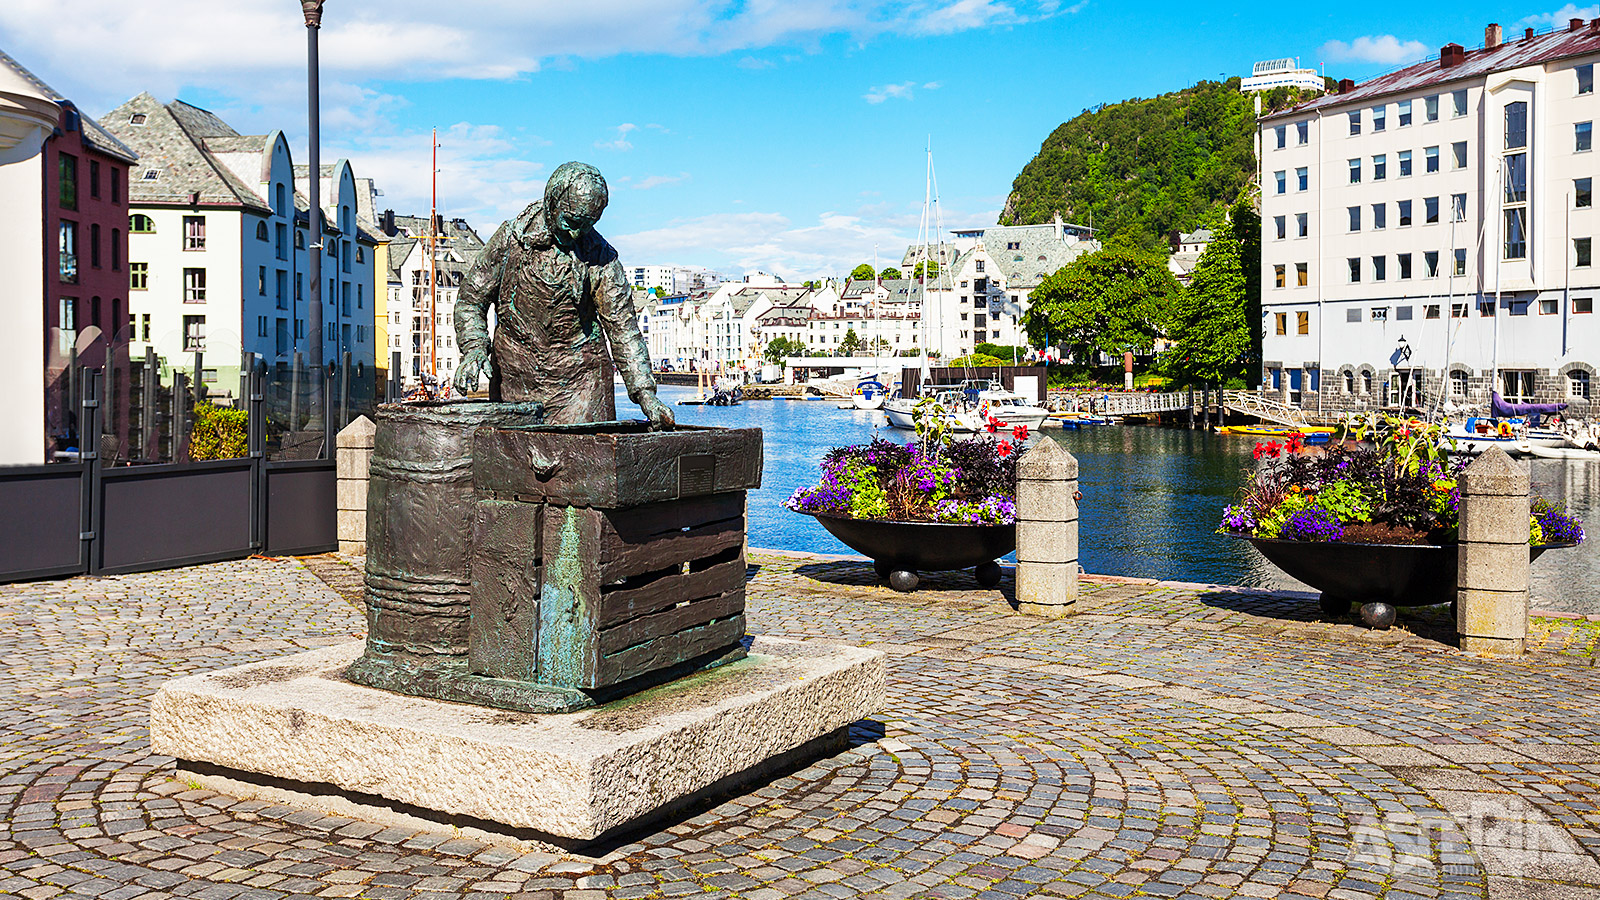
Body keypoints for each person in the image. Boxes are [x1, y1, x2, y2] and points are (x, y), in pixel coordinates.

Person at [453, 161, 673, 429]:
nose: (576, 233)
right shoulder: (510, 239)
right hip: (516, 377)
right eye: (570, 221)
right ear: (551, 202)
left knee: (588, 463)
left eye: (587, 225)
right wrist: (474, 348)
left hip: (582, 383)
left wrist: (645, 394)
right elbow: (470, 301)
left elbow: (623, 328)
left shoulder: (600, 256)